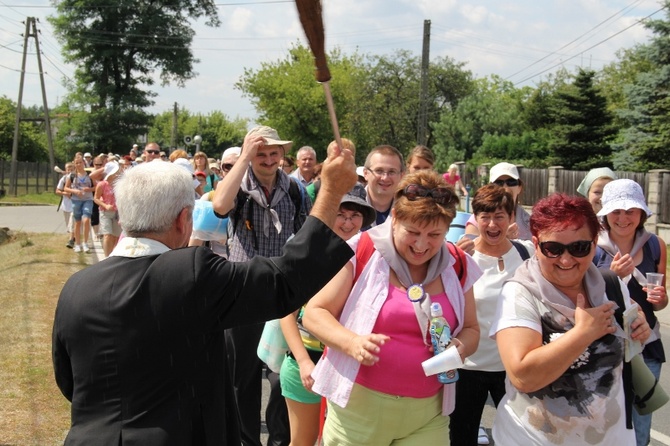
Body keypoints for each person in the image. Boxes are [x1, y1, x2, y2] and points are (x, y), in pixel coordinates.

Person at [52, 137, 359, 445]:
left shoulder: (76, 287)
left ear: (121, 217)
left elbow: (70, 382)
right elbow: (283, 281)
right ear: (183, 219)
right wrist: (331, 191)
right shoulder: (191, 273)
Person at [304, 170, 481, 445]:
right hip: (358, 413)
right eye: (413, 232)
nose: (422, 245)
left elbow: (471, 329)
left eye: (435, 234)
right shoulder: (362, 249)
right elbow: (315, 313)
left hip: (427, 415)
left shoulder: (458, 264)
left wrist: (459, 347)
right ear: (395, 219)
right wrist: (352, 343)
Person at [490, 193, 651, 445]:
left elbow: (633, 326)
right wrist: (583, 333)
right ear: (536, 243)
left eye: (579, 247)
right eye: (553, 248)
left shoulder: (610, 284)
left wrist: (639, 325)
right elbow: (523, 376)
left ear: (594, 244)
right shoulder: (519, 292)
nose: (566, 260)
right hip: (532, 438)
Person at [212, 125, 312, 446]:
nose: (268, 160)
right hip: (242, 294)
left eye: (273, 153)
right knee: (244, 379)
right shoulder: (237, 186)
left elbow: (307, 237)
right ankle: (247, 441)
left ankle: (279, 442)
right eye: (261, 154)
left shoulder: (295, 189)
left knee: (282, 377)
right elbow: (219, 206)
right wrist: (243, 158)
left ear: (283, 155)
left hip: (283, 296)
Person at [279, 183, 375, 446]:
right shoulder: (307, 252)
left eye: (355, 215)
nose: (347, 222)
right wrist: (304, 362)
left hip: (348, 366)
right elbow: (286, 313)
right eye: (341, 214)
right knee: (303, 442)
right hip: (306, 363)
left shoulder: (372, 257)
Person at [449, 184, 534, 446]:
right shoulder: (461, 256)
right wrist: (456, 262)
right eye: (485, 216)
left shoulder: (526, 252)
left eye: (499, 216)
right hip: (469, 368)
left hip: (514, 367)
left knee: (523, 438)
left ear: (511, 219)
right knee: (462, 439)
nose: (492, 223)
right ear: (475, 219)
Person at [593, 179, 668, 446]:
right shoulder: (590, 245)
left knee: (640, 426)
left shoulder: (655, 244)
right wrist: (611, 276)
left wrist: (661, 300)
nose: (623, 218)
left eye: (630, 211)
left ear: (641, 214)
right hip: (603, 347)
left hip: (645, 346)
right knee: (602, 423)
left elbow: (658, 305)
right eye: (616, 211)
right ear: (605, 214)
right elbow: (583, 297)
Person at [465, 162, 530, 241]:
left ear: (519, 187)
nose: (505, 187)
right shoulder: (477, 221)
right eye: (498, 183)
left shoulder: (528, 221)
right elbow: (471, 251)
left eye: (511, 182)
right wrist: (502, 240)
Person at [362, 145, 405, 229]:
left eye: (392, 172)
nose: (385, 178)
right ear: (366, 173)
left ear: (402, 176)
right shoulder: (348, 207)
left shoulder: (409, 210)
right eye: (379, 171)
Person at [64, 156, 95, 253]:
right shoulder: (72, 176)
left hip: (88, 199)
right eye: (77, 163)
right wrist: (75, 191)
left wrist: (88, 189)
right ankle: (77, 244)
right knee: (77, 222)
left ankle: (85, 243)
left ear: (83, 163)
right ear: (74, 164)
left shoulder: (89, 174)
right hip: (76, 200)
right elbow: (66, 188)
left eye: (80, 162)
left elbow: (95, 187)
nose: (79, 165)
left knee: (86, 220)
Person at [93, 161, 122, 257]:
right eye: (115, 171)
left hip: (117, 213)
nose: (117, 173)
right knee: (107, 235)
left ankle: (111, 254)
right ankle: (106, 257)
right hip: (105, 212)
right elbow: (96, 198)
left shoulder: (119, 183)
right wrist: (105, 205)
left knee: (115, 236)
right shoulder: (102, 184)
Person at [56, 162, 75, 249]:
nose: (70, 171)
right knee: (68, 224)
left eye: (72, 169)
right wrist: (65, 193)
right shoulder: (63, 179)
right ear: (65, 170)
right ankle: (72, 236)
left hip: (74, 205)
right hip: (65, 205)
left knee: (72, 222)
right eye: (68, 169)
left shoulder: (76, 179)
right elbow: (57, 191)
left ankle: (71, 240)